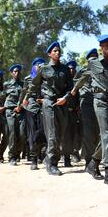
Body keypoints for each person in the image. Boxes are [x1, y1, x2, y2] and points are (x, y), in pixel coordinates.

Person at [72, 35, 108, 185]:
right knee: (106, 133)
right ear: (101, 47)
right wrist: (73, 91)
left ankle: (93, 163)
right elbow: (82, 78)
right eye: (106, 44)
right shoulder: (93, 64)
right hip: (100, 101)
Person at [24, 42, 73, 176]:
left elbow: (70, 87)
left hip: (61, 103)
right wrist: (27, 98)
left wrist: (66, 98)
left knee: (61, 133)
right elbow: (34, 85)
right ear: (50, 53)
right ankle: (52, 163)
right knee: (52, 134)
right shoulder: (44, 68)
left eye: (59, 51)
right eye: (55, 51)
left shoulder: (65, 69)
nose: (58, 53)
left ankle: (47, 158)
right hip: (49, 103)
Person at [73, 49, 100, 175]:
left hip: (98, 102)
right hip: (85, 104)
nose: (94, 60)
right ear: (87, 60)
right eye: (91, 58)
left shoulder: (100, 69)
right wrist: (76, 105)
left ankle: (95, 159)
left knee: (98, 132)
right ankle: (89, 160)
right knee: (88, 133)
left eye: (96, 57)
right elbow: (74, 88)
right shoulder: (82, 71)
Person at [21, 58, 47, 171]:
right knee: (32, 134)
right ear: (33, 67)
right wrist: (20, 104)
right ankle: (33, 160)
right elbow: (24, 93)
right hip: (31, 108)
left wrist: (44, 100)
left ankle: (43, 154)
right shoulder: (28, 79)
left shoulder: (46, 78)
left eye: (41, 65)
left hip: (43, 107)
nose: (39, 67)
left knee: (42, 132)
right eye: (37, 65)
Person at [3, 64, 26, 166]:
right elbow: (2, 98)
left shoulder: (23, 84)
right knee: (12, 133)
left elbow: (26, 97)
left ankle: (17, 154)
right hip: (10, 111)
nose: (17, 73)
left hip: (21, 110)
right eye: (15, 71)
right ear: (12, 73)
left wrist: (21, 106)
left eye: (18, 71)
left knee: (22, 134)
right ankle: (12, 156)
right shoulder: (6, 84)